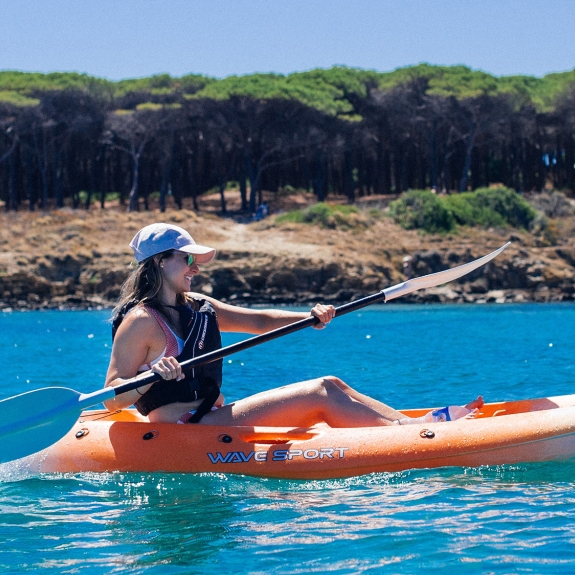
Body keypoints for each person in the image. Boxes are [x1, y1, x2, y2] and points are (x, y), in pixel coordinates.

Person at [104, 223, 483, 427]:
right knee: (320, 390)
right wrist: (154, 374)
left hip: (212, 415)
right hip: (183, 428)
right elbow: (112, 395)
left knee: (332, 385)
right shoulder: (141, 322)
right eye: (187, 259)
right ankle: (419, 436)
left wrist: (310, 317)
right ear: (158, 262)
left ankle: (411, 426)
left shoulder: (200, 306)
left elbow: (258, 320)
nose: (196, 267)